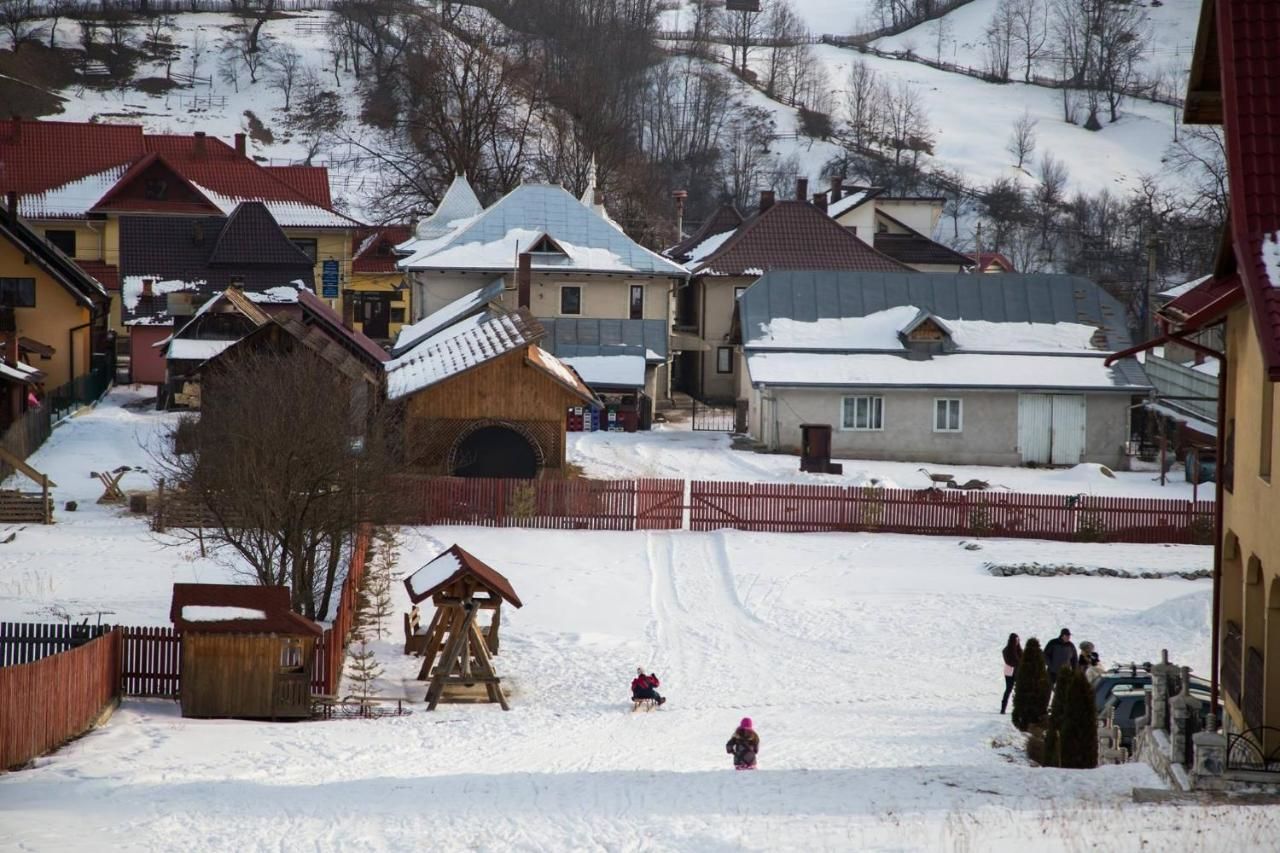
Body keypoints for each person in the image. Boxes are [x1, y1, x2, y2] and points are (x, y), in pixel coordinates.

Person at [1000, 633, 1022, 714]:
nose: (1017, 642)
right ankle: (1003, 708)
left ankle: (1018, 708)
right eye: (1016, 640)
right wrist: (1018, 663)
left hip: (1018, 672)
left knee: (1019, 690)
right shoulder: (1007, 650)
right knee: (1008, 689)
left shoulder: (1019, 649)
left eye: (1018, 640)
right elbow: (1009, 661)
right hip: (1010, 673)